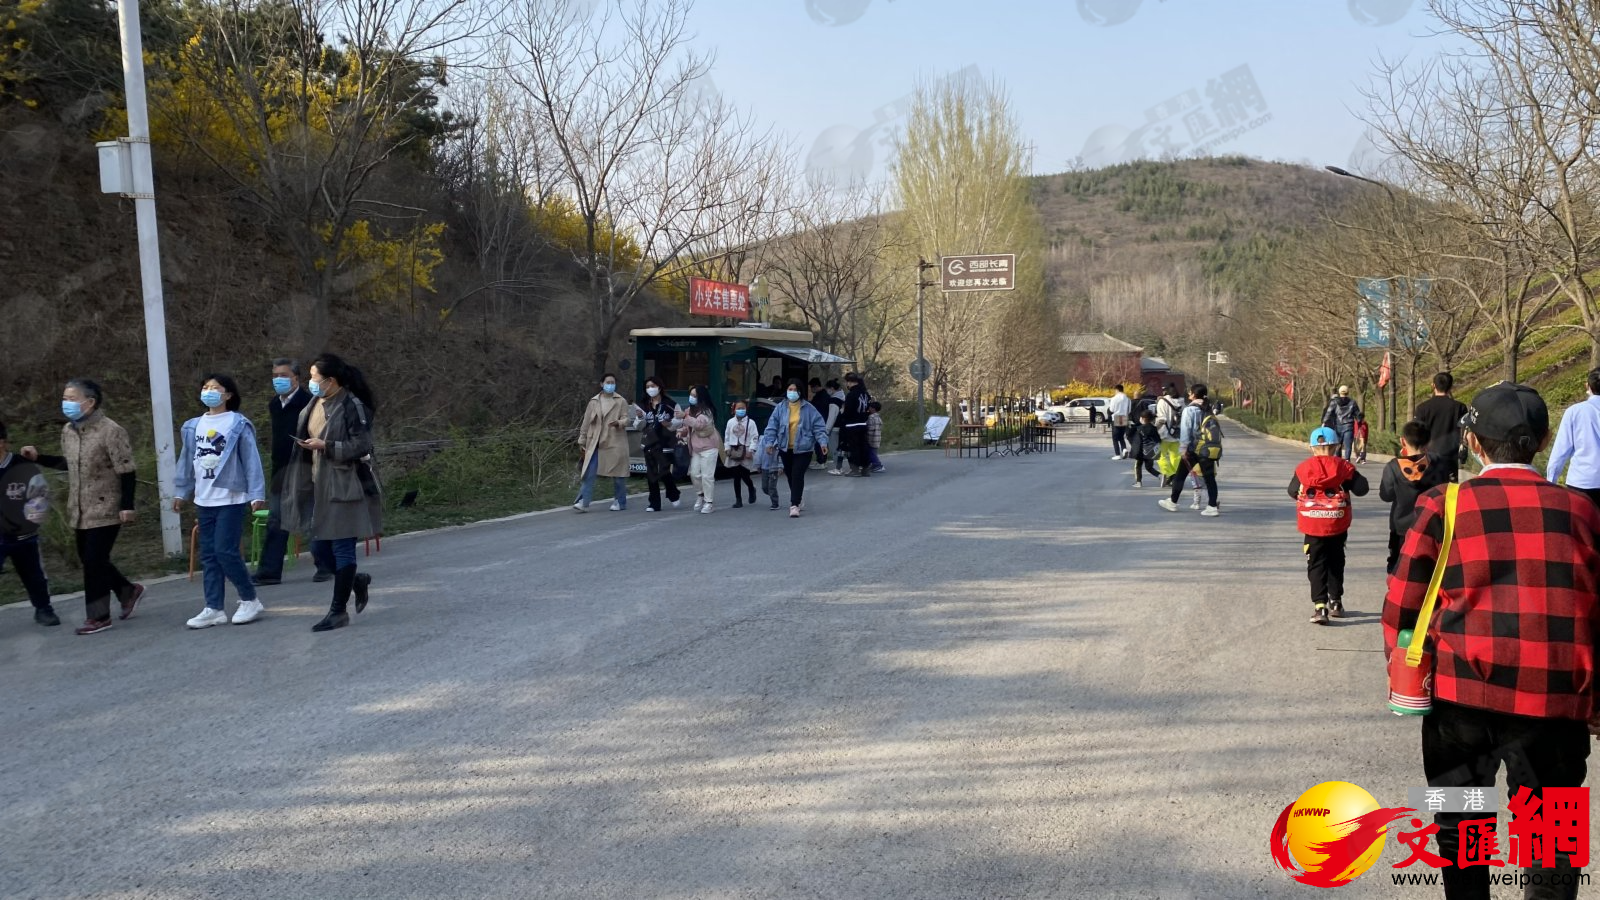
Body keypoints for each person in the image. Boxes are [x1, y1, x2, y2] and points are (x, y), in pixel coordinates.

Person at [1384, 381, 1600, 899]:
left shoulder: (1444, 503)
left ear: (1474, 443)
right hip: (1555, 701)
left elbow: (1402, 604)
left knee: (1461, 827)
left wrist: (1402, 667)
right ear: (1544, 442)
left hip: (1461, 699)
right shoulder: (1584, 512)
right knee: (1551, 837)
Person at [23, 379, 144, 635]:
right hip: (79, 508)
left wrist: (127, 505)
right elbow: (70, 464)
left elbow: (127, 470)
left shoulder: (111, 430)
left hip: (107, 505)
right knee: (91, 560)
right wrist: (39, 458)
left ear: (89, 402)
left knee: (93, 561)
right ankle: (127, 591)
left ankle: (99, 616)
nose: (66, 403)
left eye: (71, 398)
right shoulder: (68, 430)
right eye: (64, 398)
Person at [279, 353, 383, 633]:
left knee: (341, 547)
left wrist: (326, 446)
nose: (311, 383)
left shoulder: (352, 405)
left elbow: (362, 445)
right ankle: (356, 580)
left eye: (314, 378)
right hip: (315, 484)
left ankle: (338, 612)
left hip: (345, 484)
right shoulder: (314, 402)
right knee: (319, 549)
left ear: (331, 380)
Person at [173, 374, 269, 628]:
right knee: (209, 556)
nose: (209, 392)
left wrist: (256, 493)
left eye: (215, 388)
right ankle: (213, 607)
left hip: (231, 497)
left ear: (228, 395)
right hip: (204, 499)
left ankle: (250, 599)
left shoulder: (238, 423)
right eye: (205, 387)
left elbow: (251, 459)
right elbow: (186, 460)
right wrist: (181, 491)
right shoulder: (193, 426)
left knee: (225, 551)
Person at [1289, 427, 1370, 625]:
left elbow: (1292, 491)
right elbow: (1362, 489)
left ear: (1312, 448)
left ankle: (1319, 606)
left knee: (1316, 563)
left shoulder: (1303, 468)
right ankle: (1336, 602)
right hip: (1337, 524)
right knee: (1336, 561)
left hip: (1312, 525)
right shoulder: (1344, 467)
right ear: (1336, 446)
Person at [253, 358, 317, 586]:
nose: (278, 380)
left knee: (311, 519)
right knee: (276, 519)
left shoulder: (309, 403)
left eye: (283, 375)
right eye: (275, 375)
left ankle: (328, 564)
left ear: (296, 378)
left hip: (304, 469)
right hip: (280, 471)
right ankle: (269, 571)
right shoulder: (274, 404)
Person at [0, 421, 59, 626]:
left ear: (2, 442)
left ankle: (43, 609)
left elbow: (40, 495)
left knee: (34, 574)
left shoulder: (21, 465)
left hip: (22, 534)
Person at [1379, 420, 1448, 576]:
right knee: (1429, 565)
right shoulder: (1437, 464)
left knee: (1398, 562)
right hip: (1430, 523)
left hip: (1401, 527)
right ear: (1429, 442)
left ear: (1403, 441)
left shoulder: (1393, 467)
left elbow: (1386, 495)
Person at [762, 380, 830, 518]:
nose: (791, 392)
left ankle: (794, 504)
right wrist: (769, 443)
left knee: (797, 474)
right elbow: (772, 426)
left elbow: (819, 427)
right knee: (790, 475)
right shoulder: (780, 408)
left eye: (794, 389)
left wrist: (823, 443)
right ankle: (797, 496)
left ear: (800, 391)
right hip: (785, 447)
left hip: (804, 448)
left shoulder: (809, 409)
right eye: (789, 389)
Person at [1157, 383, 1221, 517]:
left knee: (1180, 476)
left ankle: (1173, 502)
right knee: (1209, 478)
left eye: (1190, 392)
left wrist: (1183, 449)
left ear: (1193, 394)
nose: (1188, 394)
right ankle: (1212, 506)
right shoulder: (1207, 408)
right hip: (1207, 448)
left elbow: (1186, 431)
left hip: (1193, 449)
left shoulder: (1190, 410)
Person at [573, 373, 630, 513]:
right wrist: (582, 439)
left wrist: (619, 423)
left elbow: (627, 419)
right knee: (589, 472)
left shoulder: (620, 401)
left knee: (618, 474)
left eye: (613, 382)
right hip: (596, 442)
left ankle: (620, 501)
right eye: (608, 382)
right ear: (602, 384)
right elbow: (586, 422)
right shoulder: (594, 401)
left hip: (614, 441)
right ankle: (583, 501)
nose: (610, 384)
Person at [1546, 368, 1600, 506]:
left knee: (1582, 526)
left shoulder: (1575, 412)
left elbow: (1560, 452)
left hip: (1582, 482)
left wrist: (1550, 482)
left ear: (1587, 386)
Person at [637, 376, 683, 513]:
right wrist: (640, 418)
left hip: (666, 441)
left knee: (663, 470)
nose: (650, 389)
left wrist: (669, 424)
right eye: (647, 387)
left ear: (659, 387)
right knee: (651, 472)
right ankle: (654, 503)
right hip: (649, 442)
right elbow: (638, 426)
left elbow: (678, 422)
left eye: (653, 386)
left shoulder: (671, 404)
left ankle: (673, 493)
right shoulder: (643, 405)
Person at [1413, 371, 1469, 483]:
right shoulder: (1460, 407)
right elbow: (1465, 431)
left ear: (1433, 385)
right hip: (1450, 457)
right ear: (1451, 386)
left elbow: (1417, 433)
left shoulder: (1422, 408)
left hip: (1428, 457)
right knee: (1450, 492)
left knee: (1429, 492)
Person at [678, 385, 721, 513]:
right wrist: (682, 431)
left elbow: (698, 424)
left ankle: (709, 502)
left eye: (695, 395)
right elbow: (689, 427)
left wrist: (685, 417)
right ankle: (700, 495)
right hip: (695, 448)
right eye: (691, 395)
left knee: (707, 476)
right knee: (694, 474)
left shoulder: (707, 411)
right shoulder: (688, 411)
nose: (692, 398)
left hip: (709, 447)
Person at [723, 399, 760, 509]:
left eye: (743, 408)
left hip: (746, 451)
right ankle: (738, 500)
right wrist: (727, 448)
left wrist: (751, 450)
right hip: (734, 451)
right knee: (736, 476)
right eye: (738, 408)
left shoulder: (751, 423)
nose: (740, 410)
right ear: (734, 410)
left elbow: (755, 437)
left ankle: (751, 487)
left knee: (745, 474)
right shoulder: (730, 422)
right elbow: (727, 436)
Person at [835, 372, 872, 477]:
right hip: (863, 424)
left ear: (849, 382)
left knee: (853, 447)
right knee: (863, 446)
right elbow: (868, 408)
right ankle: (865, 468)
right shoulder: (865, 394)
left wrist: (842, 415)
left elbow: (848, 411)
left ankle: (854, 469)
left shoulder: (851, 395)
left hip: (852, 425)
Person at [1321, 385, 1363, 461]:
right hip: (1349, 426)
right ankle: (1347, 460)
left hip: (1338, 426)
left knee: (1338, 445)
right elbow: (1358, 415)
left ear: (1339, 392)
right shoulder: (1352, 402)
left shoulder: (1334, 402)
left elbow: (1328, 412)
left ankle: (1338, 460)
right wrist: (1360, 422)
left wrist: (1324, 422)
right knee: (1348, 446)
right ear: (1348, 392)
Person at [1155, 383, 1185, 488]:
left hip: (1163, 433)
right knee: (1175, 457)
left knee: (1160, 455)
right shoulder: (1182, 401)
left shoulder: (1162, 401)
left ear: (1166, 390)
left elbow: (1160, 418)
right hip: (1177, 433)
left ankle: (1168, 473)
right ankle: (1174, 477)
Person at [1128, 411, 1163, 488]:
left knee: (1137, 466)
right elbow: (1158, 440)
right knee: (1149, 467)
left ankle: (1138, 482)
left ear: (1143, 419)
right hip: (1150, 452)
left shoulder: (1140, 429)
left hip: (1141, 452)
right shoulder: (1153, 428)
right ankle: (1160, 475)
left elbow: (1137, 441)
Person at [809, 377, 835, 466]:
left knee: (820, 442)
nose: (811, 389)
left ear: (815, 386)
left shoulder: (822, 396)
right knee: (820, 441)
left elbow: (817, 409)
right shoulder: (822, 395)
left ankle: (821, 461)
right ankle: (821, 460)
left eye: (812, 387)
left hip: (821, 421)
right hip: (821, 421)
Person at [758, 433, 784, 510]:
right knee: (764, 487)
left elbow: (781, 455)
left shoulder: (779, 441)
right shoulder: (763, 440)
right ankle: (773, 495)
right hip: (764, 467)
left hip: (774, 468)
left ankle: (775, 503)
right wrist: (758, 464)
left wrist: (780, 466)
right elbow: (759, 453)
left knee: (772, 487)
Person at [1108, 384, 1132, 460]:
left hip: (1116, 417)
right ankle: (1124, 449)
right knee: (1121, 436)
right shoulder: (1128, 399)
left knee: (1115, 437)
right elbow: (1129, 410)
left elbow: (1111, 409)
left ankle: (1117, 454)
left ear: (1117, 390)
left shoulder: (1114, 399)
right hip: (1124, 417)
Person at [865, 401, 885, 474]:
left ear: (873, 409)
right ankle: (874, 465)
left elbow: (870, 428)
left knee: (872, 453)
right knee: (873, 452)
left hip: (872, 438)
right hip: (877, 438)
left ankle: (878, 465)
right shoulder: (878, 417)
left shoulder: (871, 417)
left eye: (870, 407)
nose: (868, 409)